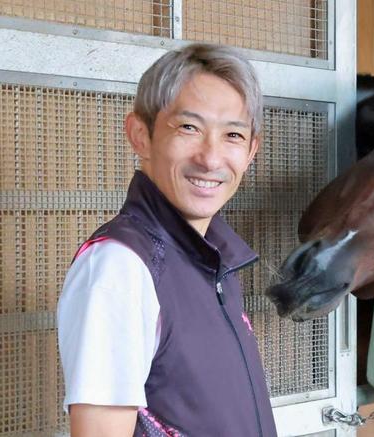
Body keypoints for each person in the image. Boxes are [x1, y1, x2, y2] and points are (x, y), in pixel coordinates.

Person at [57, 43, 277, 437]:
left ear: (250, 152)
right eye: (189, 128)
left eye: (232, 135)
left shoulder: (216, 261)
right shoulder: (121, 265)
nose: (211, 159)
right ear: (141, 135)